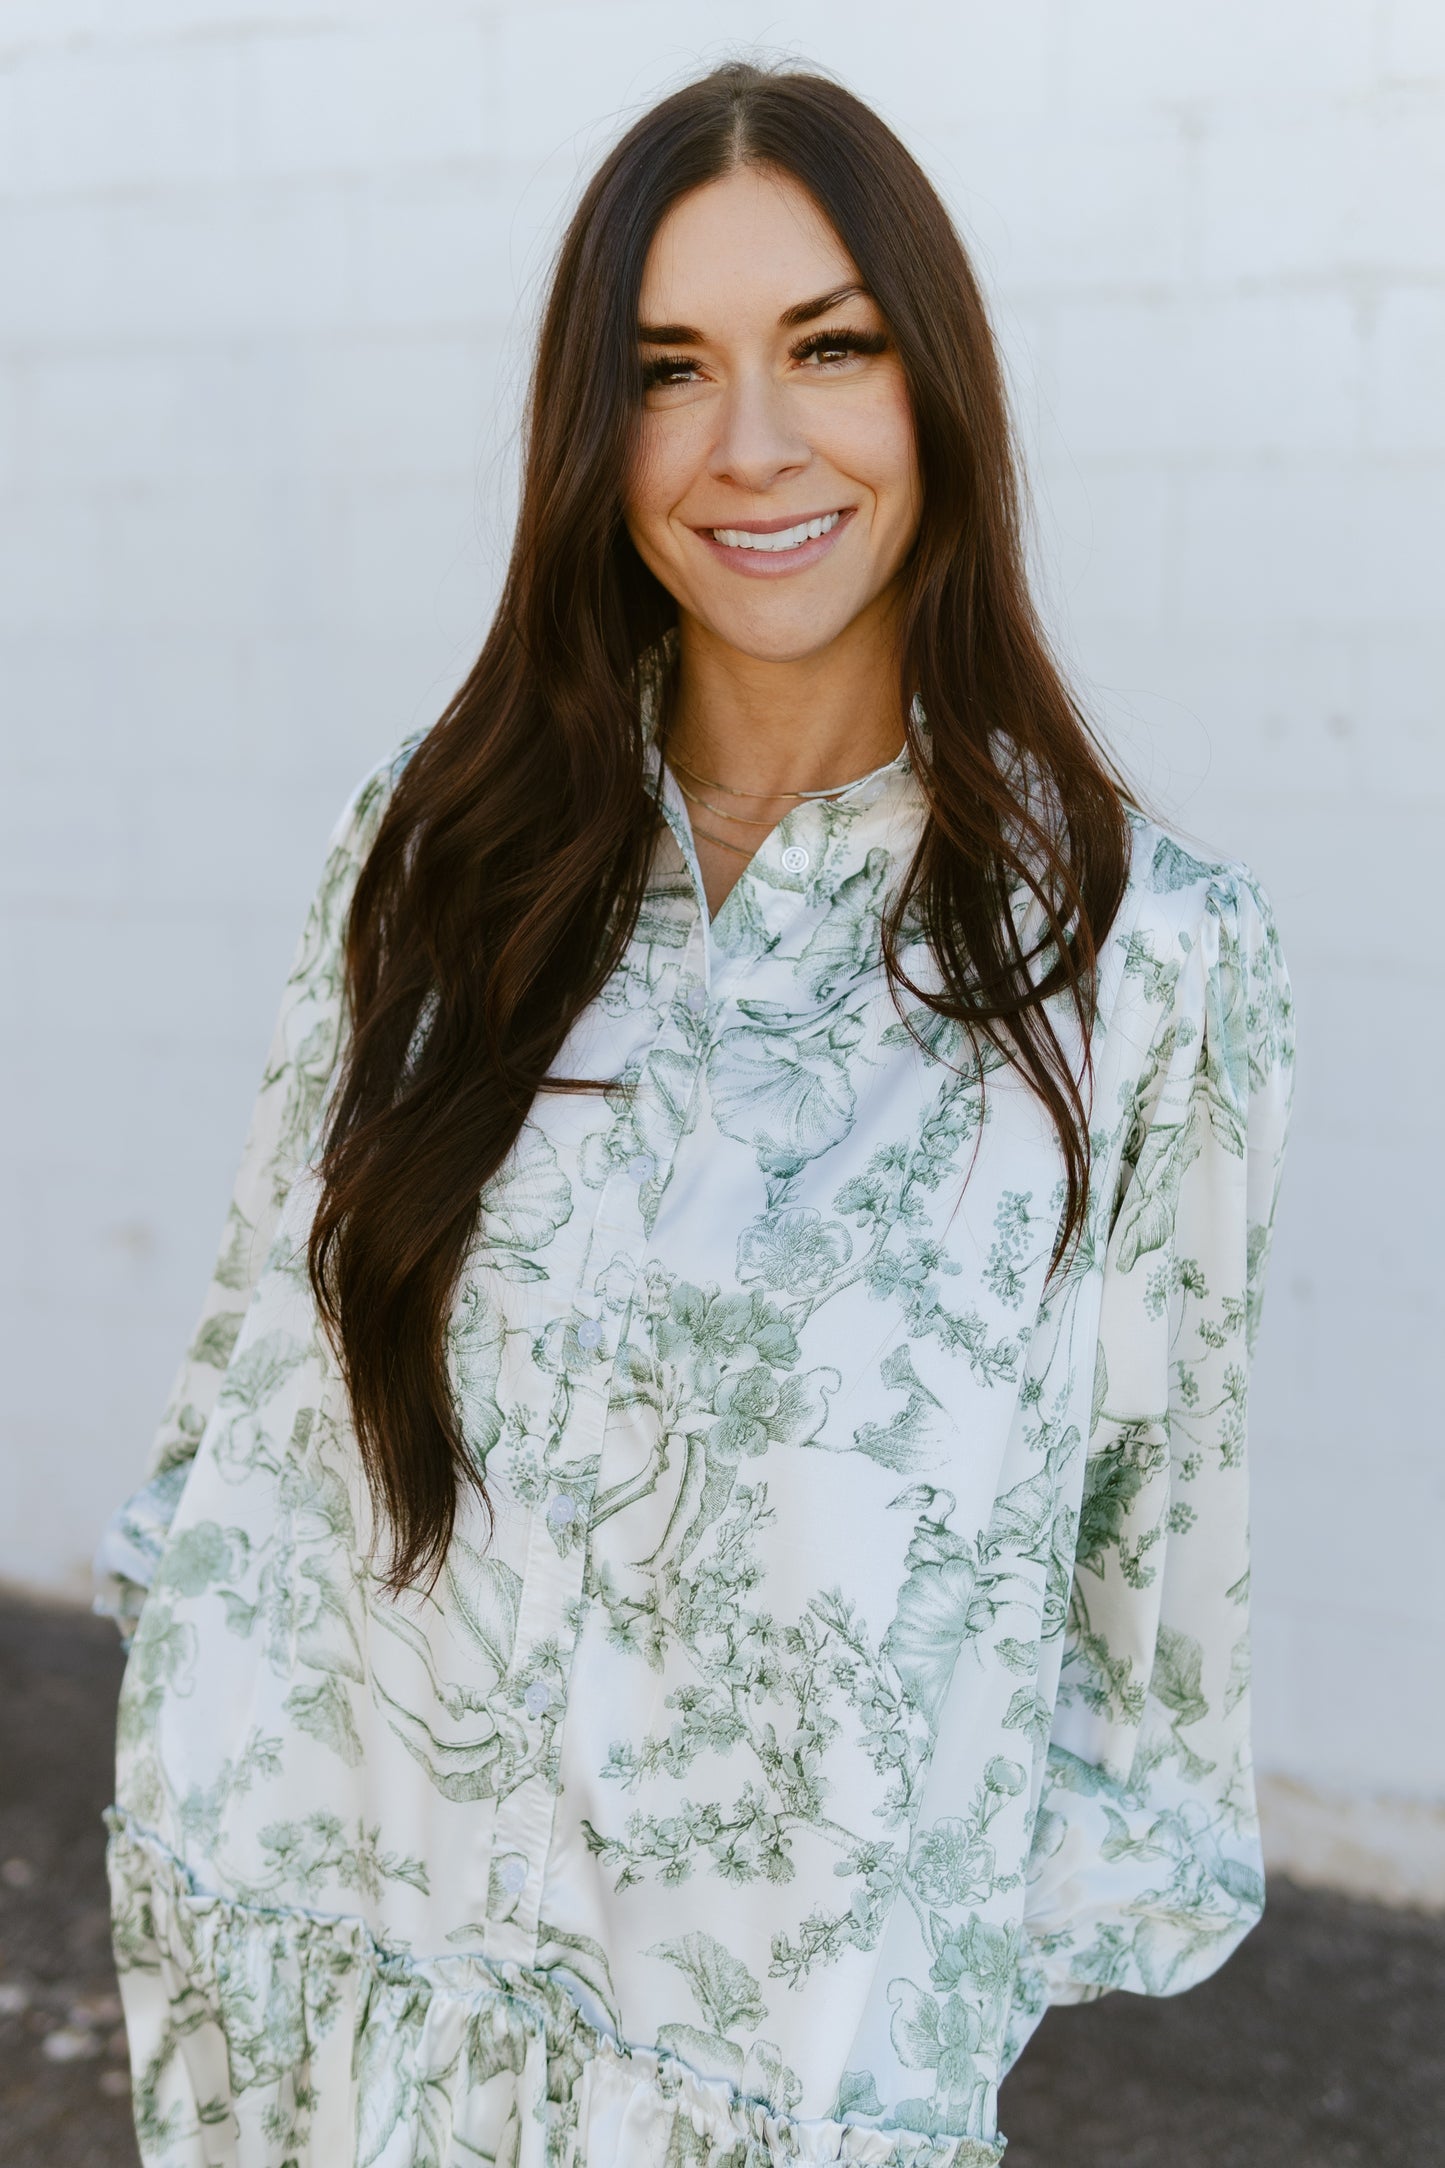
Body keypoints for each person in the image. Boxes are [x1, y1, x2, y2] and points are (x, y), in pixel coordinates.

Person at [95, 60, 1294, 2168]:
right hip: (307, 2022)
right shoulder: (437, 852)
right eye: (667, 369)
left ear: (935, 389)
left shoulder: (1149, 962)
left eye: (827, 346)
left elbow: (1144, 1632)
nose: (753, 446)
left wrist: (863, 2031)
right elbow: (233, 1416)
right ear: (594, 430)